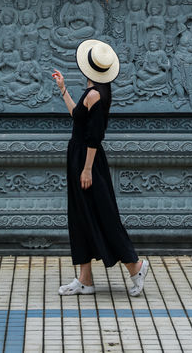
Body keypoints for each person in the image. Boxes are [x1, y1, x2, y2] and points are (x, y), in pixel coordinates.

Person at [51, 38, 149, 298]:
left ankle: (136, 266)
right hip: (79, 155)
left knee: (102, 215)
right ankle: (85, 279)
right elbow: (76, 117)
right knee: (81, 216)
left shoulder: (96, 95)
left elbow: (94, 137)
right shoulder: (94, 91)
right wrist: (63, 89)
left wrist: (86, 169)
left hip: (87, 160)